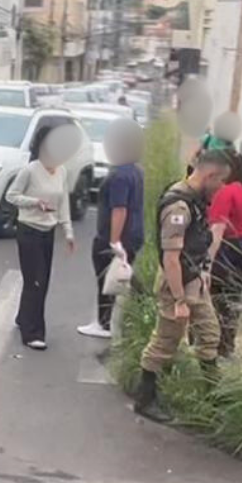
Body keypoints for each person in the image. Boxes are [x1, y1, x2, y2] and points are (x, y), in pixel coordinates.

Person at [134, 148, 233, 423]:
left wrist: (203, 271)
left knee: (210, 334)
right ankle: (145, 398)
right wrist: (179, 300)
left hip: (193, 280)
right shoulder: (178, 206)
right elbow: (171, 258)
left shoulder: (195, 200)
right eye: (221, 181)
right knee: (165, 342)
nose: (222, 189)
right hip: (176, 284)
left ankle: (213, 396)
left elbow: (196, 242)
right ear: (210, 175)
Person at [6, 124, 77, 350]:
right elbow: (11, 196)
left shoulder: (62, 171)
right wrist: (35, 202)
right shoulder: (30, 170)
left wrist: (68, 231)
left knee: (41, 281)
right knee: (35, 282)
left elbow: (63, 203)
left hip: (48, 232)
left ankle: (23, 317)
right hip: (29, 229)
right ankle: (32, 333)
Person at [81, 118, 145, 339]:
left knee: (108, 278)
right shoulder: (135, 170)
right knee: (119, 275)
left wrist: (114, 241)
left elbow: (120, 209)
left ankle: (104, 323)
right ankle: (112, 319)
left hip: (117, 235)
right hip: (134, 233)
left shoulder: (119, 175)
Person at [206, 149, 242, 358]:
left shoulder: (226, 192)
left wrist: (207, 262)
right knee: (234, 292)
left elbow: (217, 229)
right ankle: (228, 343)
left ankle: (212, 342)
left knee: (215, 294)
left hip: (228, 246)